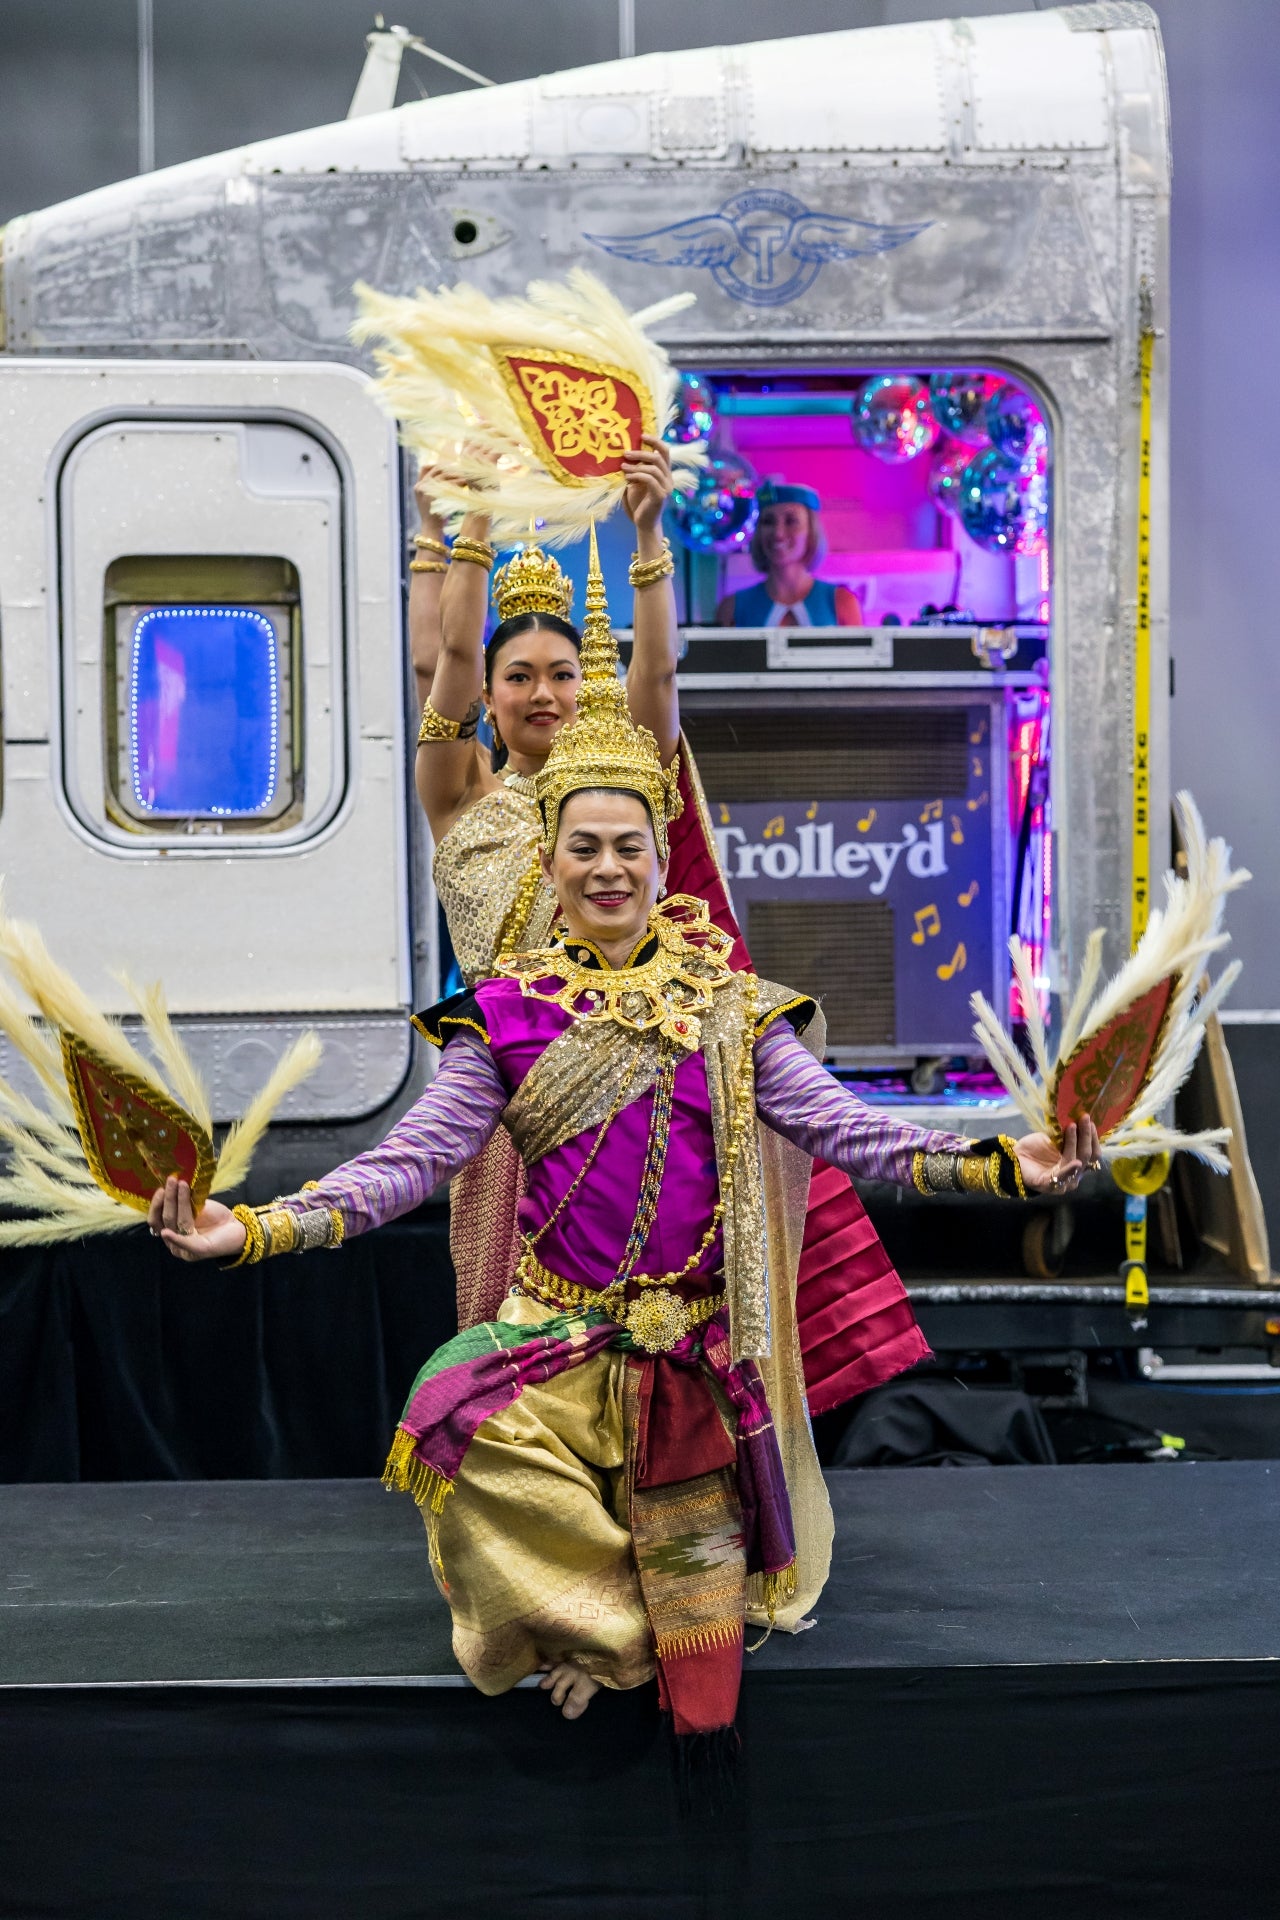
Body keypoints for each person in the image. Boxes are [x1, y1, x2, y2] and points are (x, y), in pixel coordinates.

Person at [153, 536, 1097, 1739]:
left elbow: (849, 1131)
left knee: (706, 1674)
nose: (606, 868)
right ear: (548, 864)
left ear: (663, 861)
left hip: (696, 1362)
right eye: (583, 849)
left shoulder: (731, 1010)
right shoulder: (498, 1019)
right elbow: (412, 1161)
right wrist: (253, 1229)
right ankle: (603, 1620)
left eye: (628, 848)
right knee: (451, 1418)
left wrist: (1004, 1162)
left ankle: (648, 1615)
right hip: (555, 1339)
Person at [716, 478, 864, 628]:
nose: (778, 534)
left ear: (811, 531)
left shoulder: (842, 603)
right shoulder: (732, 608)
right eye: (768, 522)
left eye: (791, 521)